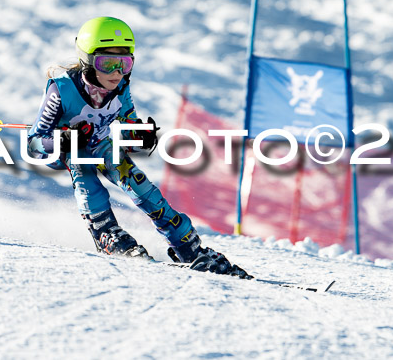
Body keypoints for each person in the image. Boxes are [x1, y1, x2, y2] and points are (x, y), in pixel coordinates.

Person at [27, 16, 249, 278]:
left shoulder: (120, 87)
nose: (116, 73)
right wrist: (63, 140)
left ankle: (187, 246)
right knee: (84, 171)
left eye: (124, 63)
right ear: (88, 60)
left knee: (139, 185)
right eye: (107, 63)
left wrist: (141, 135)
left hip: (102, 144)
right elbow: (34, 143)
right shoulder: (61, 89)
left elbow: (127, 123)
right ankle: (105, 232)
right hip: (70, 150)